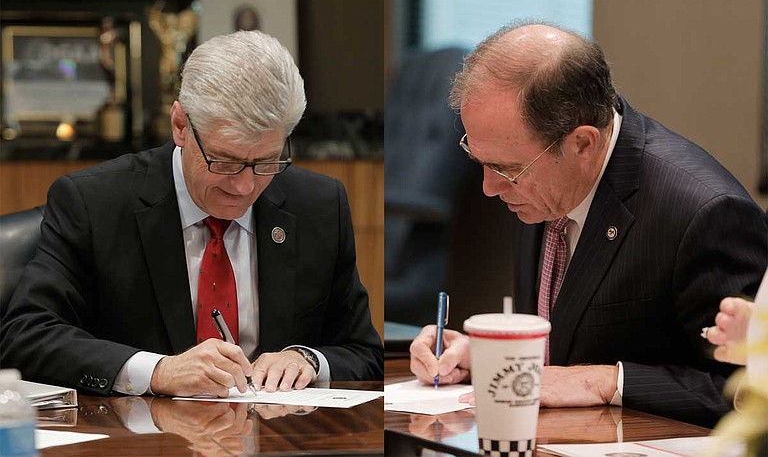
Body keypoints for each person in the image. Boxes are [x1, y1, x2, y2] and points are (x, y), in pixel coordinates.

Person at [409, 22, 768, 428]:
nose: (490, 188)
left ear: (582, 143)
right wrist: (491, 354)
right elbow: (563, 353)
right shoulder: (540, 176)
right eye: (481, 161)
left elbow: (751, 392)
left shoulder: (706, 213)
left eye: (504, 170)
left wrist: (609, 379)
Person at [1, 30, 383, 397]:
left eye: (266, 162)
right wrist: (158, 371)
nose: (245, 186)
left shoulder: (317, 204)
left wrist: (309, 360)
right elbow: (27, 335)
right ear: (181, 126)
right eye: (225, 161)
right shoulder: (93, 202)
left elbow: (364, 353)